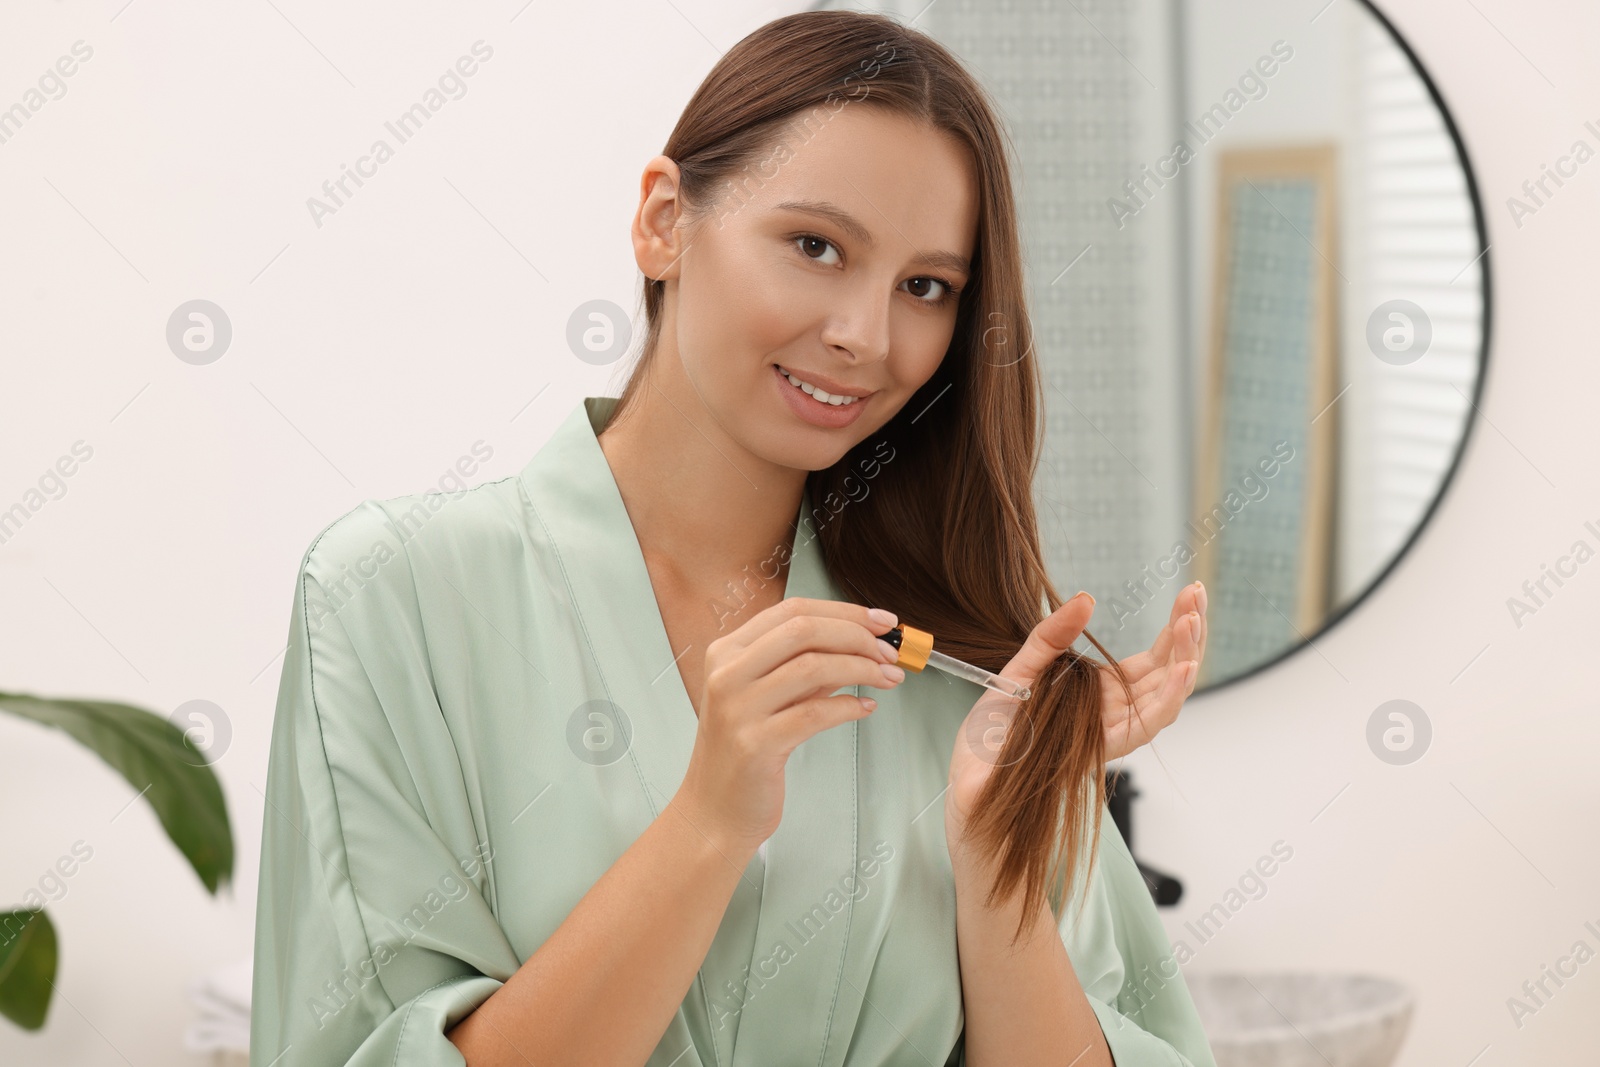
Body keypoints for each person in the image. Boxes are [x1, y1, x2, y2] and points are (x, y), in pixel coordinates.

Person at [250, 10, 1215, 1066]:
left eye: (925, 287)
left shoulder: (959, 658)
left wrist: (995, 859)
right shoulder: (394, 596)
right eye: (815, 246)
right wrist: (710, 819)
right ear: (664, 220)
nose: (865, 335)